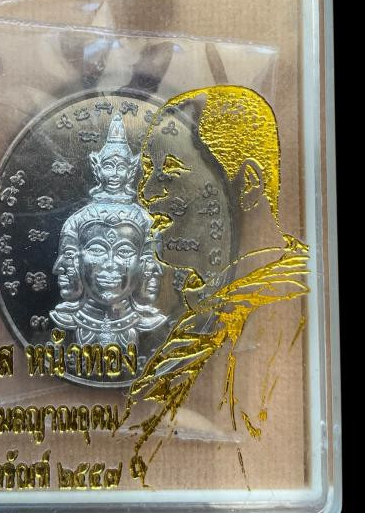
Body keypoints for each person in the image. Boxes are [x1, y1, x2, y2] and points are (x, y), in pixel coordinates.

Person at [119, 85, 310, 485]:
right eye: (147, 173)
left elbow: (258, 478)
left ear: (247, 185)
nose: (145, 194)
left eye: (169, 170)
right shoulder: (209, 315)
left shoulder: (285, 317)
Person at [50, 114, 167, 348]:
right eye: (96, 250)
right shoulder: (77, 221)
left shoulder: (147, 222)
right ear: (97, 167)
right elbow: (65, 263)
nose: (114, 174)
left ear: (131, 169)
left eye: (120, 167)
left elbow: (152, 265)